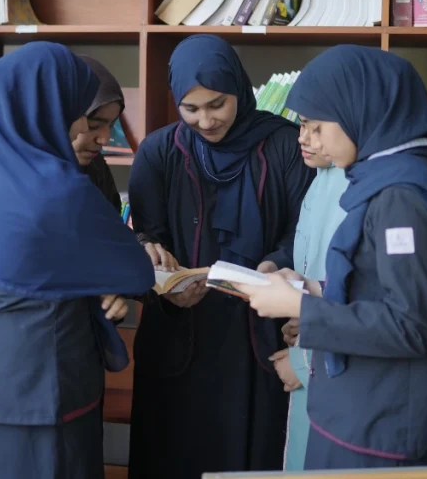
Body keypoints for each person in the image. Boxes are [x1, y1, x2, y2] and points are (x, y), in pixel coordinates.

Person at [240, 46, 427, 470]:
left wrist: (300, 307)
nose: (308, 140)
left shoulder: (401, 200)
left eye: (317, 127)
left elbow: (410, 326)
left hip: (385, 424)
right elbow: (379, 284)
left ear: (361, 112)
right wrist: (312, 288)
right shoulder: (382, 179)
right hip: (365, 409)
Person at [0, 42, 157, 478]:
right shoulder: (58, 188)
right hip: (42, 391)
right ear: (47, 110)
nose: (91, 130)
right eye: (80, 112)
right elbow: (135, 270)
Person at [127, 34, 315, 478]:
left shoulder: (286, 144)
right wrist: (157, 269)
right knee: (174, 451)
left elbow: (303, 233)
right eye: (190, 109)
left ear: (239, 89)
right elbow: (144, 237)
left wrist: (273, 264)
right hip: (181, 330)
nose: (206, 121)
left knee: (255, 450)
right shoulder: (158, 152)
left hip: (260, 331)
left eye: (217, 104)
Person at [0, 53, 176, 378]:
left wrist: (141, 249)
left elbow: (96, 251)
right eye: (92, 124)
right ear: (53, 117)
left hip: (71, 363)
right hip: (9, 371)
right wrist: (90, 297)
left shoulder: (92, 171)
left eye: (111, 125)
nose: (104, 139)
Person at [271, 127, 349, 472]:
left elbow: (358, 294)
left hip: (332, 367)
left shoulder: (358, 188)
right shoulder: (321, 178)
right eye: (301, 125)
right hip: (313, 345)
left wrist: (303, 360)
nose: (302, 138)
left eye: (315, 127)